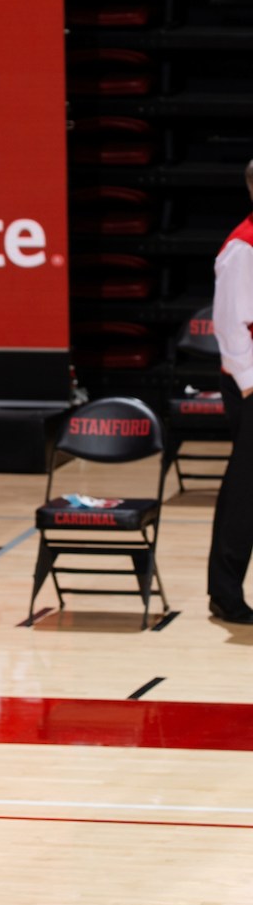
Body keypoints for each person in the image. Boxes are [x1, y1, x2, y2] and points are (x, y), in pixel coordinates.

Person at [207, 160, 253, 624]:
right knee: (246, 492)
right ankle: (225, 592)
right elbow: (229, 325)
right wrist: (250, 385)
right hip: (250, 382)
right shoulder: (242, 247)